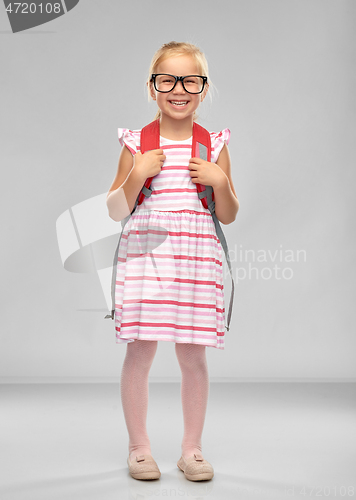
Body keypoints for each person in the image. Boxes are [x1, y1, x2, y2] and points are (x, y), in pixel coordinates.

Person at [106, 41, 239, 481]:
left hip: (197, 259)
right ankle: (139, 448)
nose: (178, 89)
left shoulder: (213, 145)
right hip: (148, 257)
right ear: (152, 87)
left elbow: (228, 214)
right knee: (140, 351)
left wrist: (220, 181)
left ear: (203, 89)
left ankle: (191, 450)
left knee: (193, 355)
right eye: (167, 80)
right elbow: (113, 210)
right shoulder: (136, 143)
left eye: (190, 80)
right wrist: (137, 174)